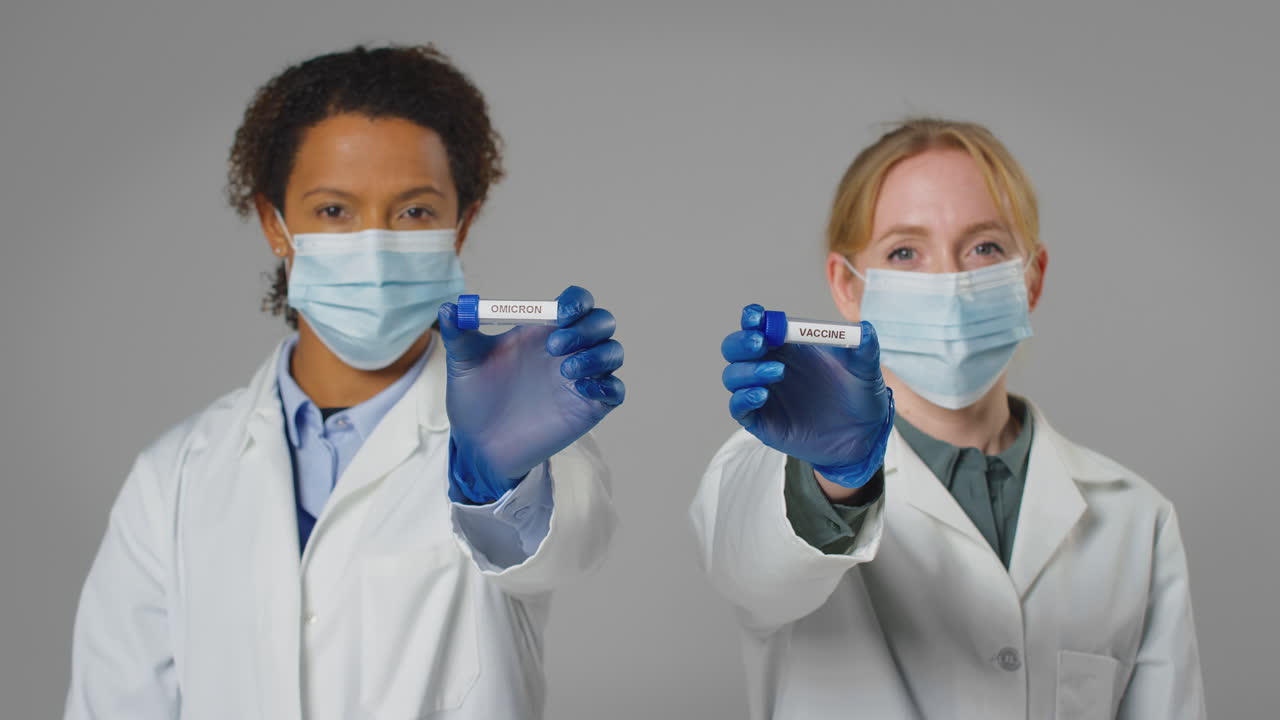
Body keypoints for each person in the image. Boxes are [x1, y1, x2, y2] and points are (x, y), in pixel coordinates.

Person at [65, 45, 624, 720]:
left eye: (415, 212)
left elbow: (569, 547)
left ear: (462, 224)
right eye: (333, 211)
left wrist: (497, 489)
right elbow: (114, 704)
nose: (375, 242)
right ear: (276, 225)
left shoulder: (514, 433)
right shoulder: (172, 479)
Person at [691, 118, 1204, 719]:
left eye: (985, 246)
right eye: (904, 252)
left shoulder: (1135, 517)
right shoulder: (778, 470)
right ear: (847, 286)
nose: (951, 282)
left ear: (1031, 278)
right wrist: (836, 481)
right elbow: (754, 572)